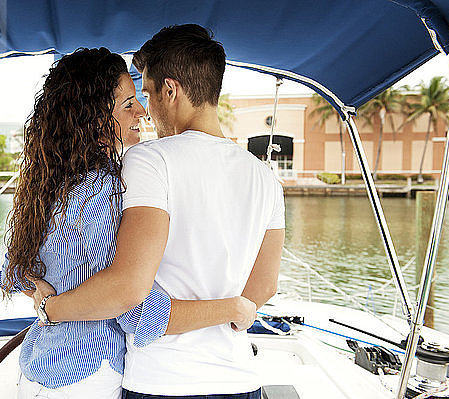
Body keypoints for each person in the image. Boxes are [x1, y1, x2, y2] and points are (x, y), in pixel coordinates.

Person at [30, 25, 285, 398]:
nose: (145, 109)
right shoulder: (266, 178)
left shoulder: (149, 159)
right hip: (240, 380)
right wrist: (232, 311)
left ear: (171, 90)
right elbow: (264, 288)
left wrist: (50, 309)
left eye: (147, 93)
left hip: (163, 380)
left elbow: (130, 289)